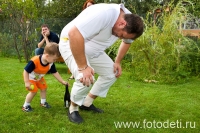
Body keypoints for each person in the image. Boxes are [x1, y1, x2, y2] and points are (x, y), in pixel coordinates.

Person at [59, 3, 144, 124]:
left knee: (112, 73)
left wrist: (118, 62)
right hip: (71, 43)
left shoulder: (130, 21)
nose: (120, 38)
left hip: (95, 50)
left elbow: (127, 41)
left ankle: (86, 103)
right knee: (86, 77)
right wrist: (83, 67)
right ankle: (73, 108)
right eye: (121, 35)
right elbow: (74, 34)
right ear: (121, 24)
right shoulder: (103, 14)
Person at [22, 42, 68, 112]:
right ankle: (26, 106)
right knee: (33, 91)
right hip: (30, 78)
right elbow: (26, 71)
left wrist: (62, 81)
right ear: (47, 56)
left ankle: (43, 103)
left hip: (39, 78)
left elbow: (55, 72)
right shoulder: (34, 61)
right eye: (54, 59)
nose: (54, 61)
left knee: (44, 88)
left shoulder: (50, 63)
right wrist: (26, 82)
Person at [68, 0, 96, 80]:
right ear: (85, 8)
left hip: (91, 41)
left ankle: (89, 72)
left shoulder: (97, 18)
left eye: (92, 5)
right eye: (88, 6)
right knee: (78, 56)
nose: (90, 7)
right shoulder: (82, 17)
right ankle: (75, 74)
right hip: (80, 40)